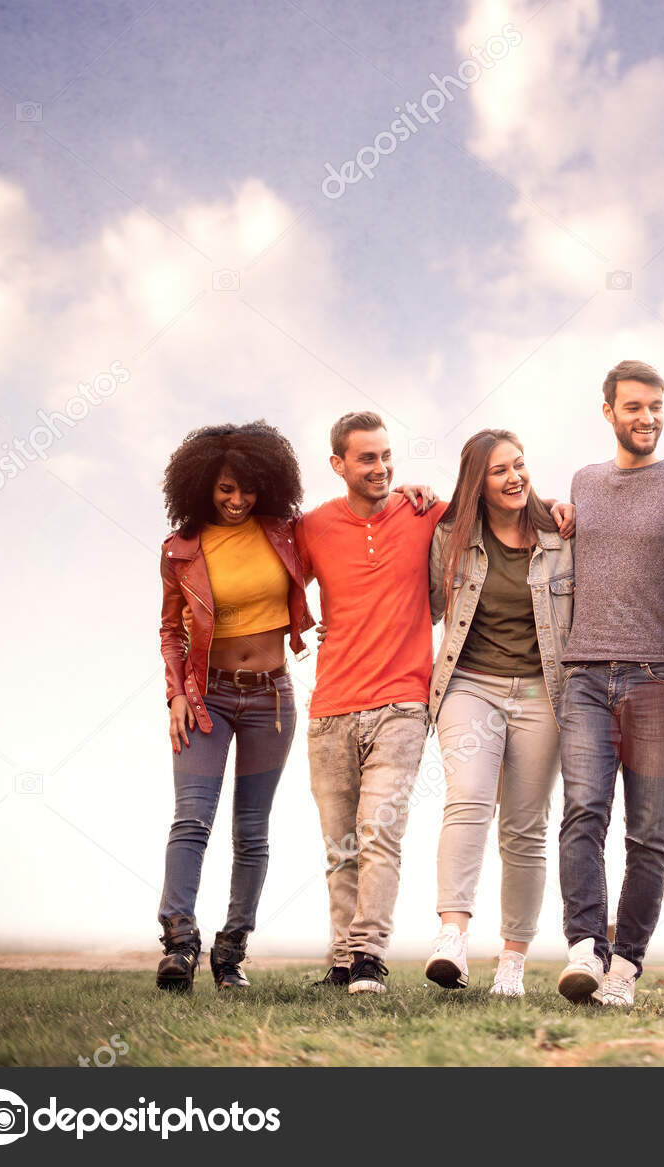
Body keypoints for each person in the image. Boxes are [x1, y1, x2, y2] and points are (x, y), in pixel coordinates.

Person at [556, 359, 664, 1008]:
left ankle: (627, 965)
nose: (648, 418)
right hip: (584, 672)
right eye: (635, 406)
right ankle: (585, 944)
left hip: (658, 677)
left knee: (648, 832)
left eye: (657, 406)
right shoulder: (583, 482)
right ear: (608, 411)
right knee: (584, 813)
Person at [156, 421, 313, 992]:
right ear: (202, 486)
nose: (237, 499)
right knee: (192, 820)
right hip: (207, 699)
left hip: (272, 698)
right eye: (225, 488)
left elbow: (355, 531)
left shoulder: (289, 534)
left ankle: (231, 952)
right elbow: (171, 631)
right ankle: (179, 942)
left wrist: (411, 497)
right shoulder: (181, 549)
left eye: (247, 488)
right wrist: (176, 693)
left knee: (252, 830)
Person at [296, 411, 445, 994]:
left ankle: (367, 956)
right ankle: (339, 960)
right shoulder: (313, 528)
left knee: (378, 832)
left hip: (403, 703)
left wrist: (561, 511)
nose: (382, 467)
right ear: (338, 465)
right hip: (330, 708)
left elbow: (495, 510)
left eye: (387, 456)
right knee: (340, 847)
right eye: (367, 458)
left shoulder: (422, 510)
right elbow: (274, 581)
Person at [422, 429, 574, 999]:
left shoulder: (560, 534)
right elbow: (427, 608)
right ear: (476, 483)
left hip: (541, 694)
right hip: (470, 686)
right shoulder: (452, 538)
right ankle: (452, 937)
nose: (515, 478)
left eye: (520, 465)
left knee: (525, 829)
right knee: (468, 800)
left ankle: (512, 959)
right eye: (499, 471)